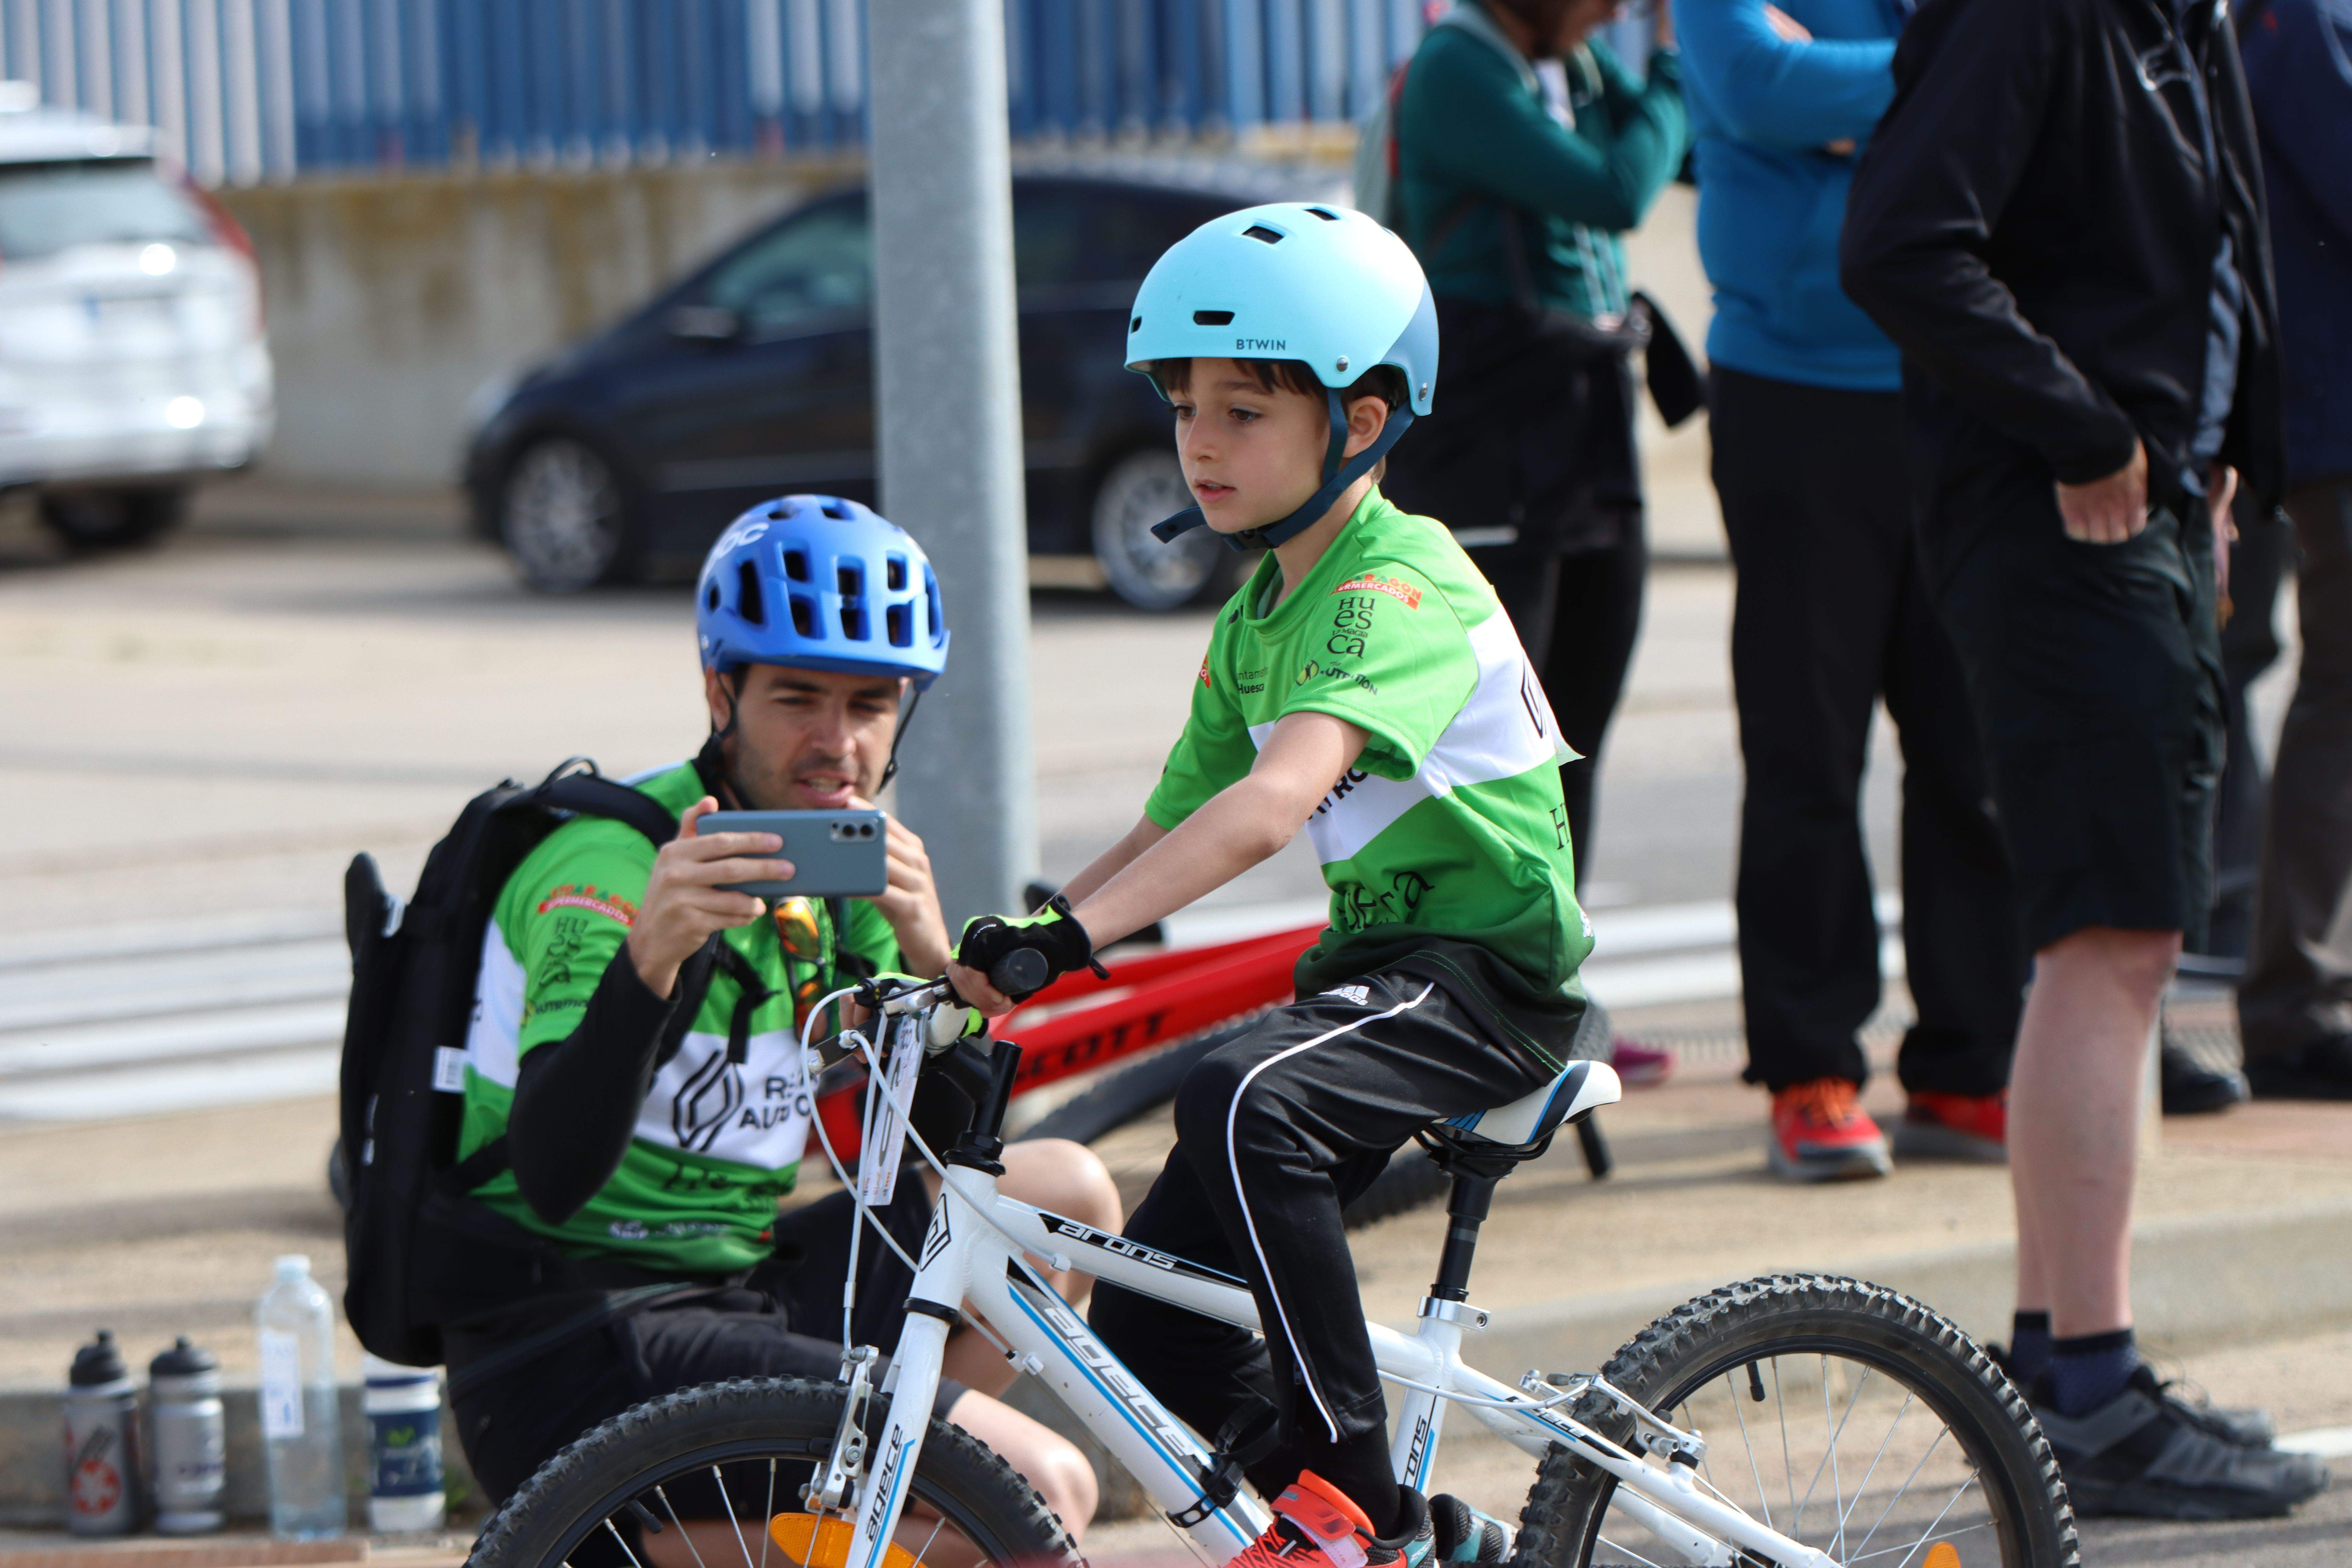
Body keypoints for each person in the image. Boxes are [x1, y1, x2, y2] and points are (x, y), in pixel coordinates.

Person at [947, 204, 1589, 1568]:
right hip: (1380, 978)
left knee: (1245, 1097)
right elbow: (1167, 826)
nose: (1199, 441)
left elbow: (1270, 805)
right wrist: (1016, 947)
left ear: (1359, 423)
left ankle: (1354, 1511)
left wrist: (1065, 939)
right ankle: (1408, 1534)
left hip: (1484, 981)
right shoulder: (1259, 616)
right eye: (1185, 406)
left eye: (1243, 411)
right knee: (1152, 1322)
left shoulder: (1392, 586)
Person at [1840, 0, 2329, 1520]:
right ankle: (2091, 1392)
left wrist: (2214, 460)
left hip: (2145, 504)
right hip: (2062, 522)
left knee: (2114, 940)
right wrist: (2090, 433)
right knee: (2110, 938)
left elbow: (2212, 246)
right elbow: (1901, 244)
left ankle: (2065, 1373)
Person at [435, 495, 1119, 1537]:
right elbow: (551, 1175)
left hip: (739, 1288)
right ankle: (660, 1534)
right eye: (798, 699)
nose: (836, 743)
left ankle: (848, 1520)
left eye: (871, 705)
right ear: (722, 693)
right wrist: (649, 965)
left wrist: (935, 966)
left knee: (1061, 1201)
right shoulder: (608, 871)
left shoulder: (841, 871)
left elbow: (941, 1161)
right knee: (1043, 1489)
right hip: (574, 1336)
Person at [1677, 0, 2023, 1181]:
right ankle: (1809, 1066)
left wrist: (1864, 94)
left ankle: (1969, 1066)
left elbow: (2028, 98)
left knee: (1975, 755)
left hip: (1965, 383)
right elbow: (1761, 88)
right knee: (1807, 751)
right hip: (1794, 397)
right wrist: (1942, 87)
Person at [1383, 0, 1689, 890]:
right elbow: (1618, 190)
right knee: (1501, 751)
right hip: (1492, 445)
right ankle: (1484, 970)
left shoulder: (1571, 57)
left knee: (1575, 739)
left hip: (1586, 426)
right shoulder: (1458, 68)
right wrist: (1674, 64)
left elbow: (1681, 149)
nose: (1618, 12)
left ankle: (1558, 964)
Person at [2234, 0, 2352, 1099]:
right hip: (2337, 417)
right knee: (2343, 697)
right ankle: (2294, 1000)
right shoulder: (2306, 16)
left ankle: (2298, 990)